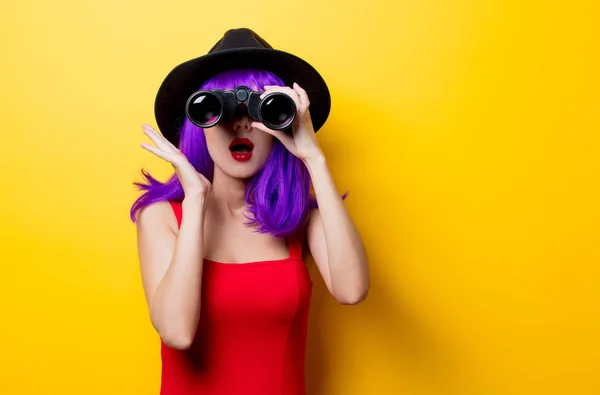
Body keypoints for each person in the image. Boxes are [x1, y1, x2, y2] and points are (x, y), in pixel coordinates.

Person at [130, 28, 370, 395]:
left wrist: (313, 157)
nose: (240, 123)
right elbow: (176, 332)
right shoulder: (163, 217)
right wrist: (195, 200)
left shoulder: (296, 219)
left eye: (261, 109)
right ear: (199, 125)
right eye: (217, 108)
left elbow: (352, 289)